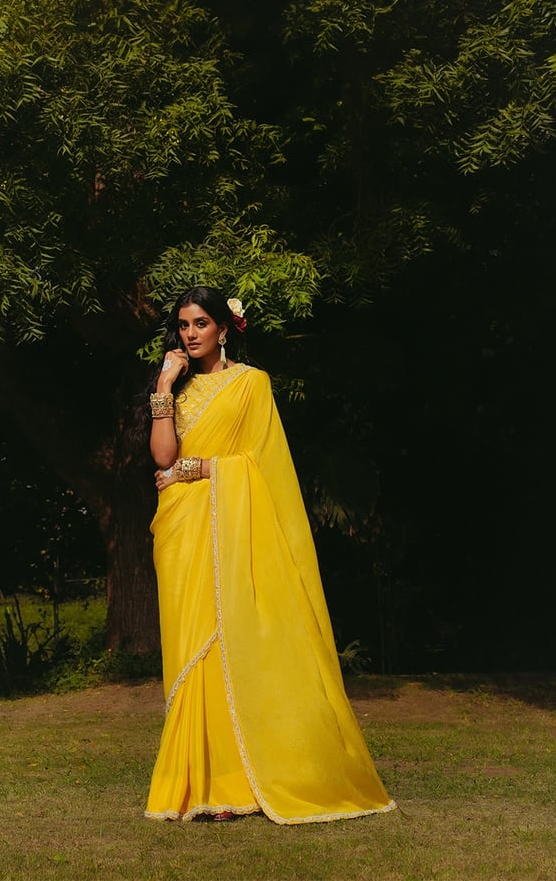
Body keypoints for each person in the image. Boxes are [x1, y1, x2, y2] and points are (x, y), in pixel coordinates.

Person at [144, 285, 395, 824]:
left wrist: (200, 468)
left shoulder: (251, 384)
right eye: (184, 325)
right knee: (190, 649)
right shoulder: (177, 390)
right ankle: (200, 783)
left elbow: (261, 464)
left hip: (233, 526)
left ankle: (238, 784)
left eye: (201, 323)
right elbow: (162, 456)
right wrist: (163, 385)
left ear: (223, 328)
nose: (191, 333)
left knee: (230, 642)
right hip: (183, 530)